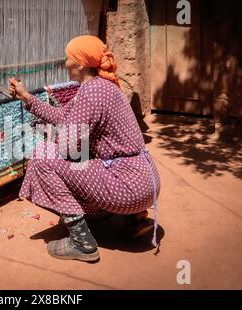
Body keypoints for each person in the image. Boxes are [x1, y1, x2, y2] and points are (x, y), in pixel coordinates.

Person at [9, 35, 161, 262]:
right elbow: (63, 116)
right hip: (147, 181)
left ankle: (82, 242)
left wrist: (49, 137)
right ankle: (133, 219)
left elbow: (69, 146)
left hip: (129, 186)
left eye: (68, 58)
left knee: (42, 158)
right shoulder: (102, 86)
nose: (65, 63)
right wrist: (26, 97)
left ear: (80, 64)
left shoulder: (92, 92)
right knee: (87, 152)